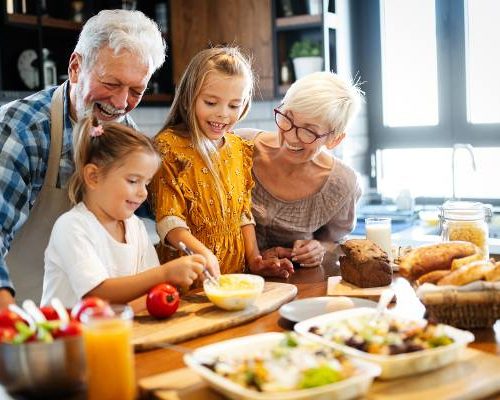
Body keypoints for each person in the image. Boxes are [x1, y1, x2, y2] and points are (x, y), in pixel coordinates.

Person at [0, 9, 166, 306]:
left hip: (95, 323)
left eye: (136, 91)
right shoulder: (23, 130)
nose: (120, 103)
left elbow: (164, 208)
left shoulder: (127, 138)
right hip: (25, 316)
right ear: (76, 67)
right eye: (112, 84)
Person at [149, 47, 293, 278]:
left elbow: (242, 213)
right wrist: (203, 254)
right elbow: (169, 222)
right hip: (191, 279)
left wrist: (255, 259)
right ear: (188, 99)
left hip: (236, 276)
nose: (223, 114)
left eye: (234, 105)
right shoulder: (168, 147)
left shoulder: (239, 148)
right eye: (211, 102)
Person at [41, 117, 206, 308]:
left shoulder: (135, 226)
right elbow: (96, 295)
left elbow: (149, 290)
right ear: (93, 177)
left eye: (146, 183)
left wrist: (173, 283)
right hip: (68, 336)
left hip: (117, 331)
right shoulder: (72, 226)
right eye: (133, 181)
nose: (143, 192)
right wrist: (166, 274)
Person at [237, 71, 363, 268]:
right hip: (228, 280)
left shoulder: (342, 184)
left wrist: (318, 248)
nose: (291, 136)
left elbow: (335, 242)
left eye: (308, 130)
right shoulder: (239, 146)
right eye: (288, 117)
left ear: (334, 139)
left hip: (296, 286)